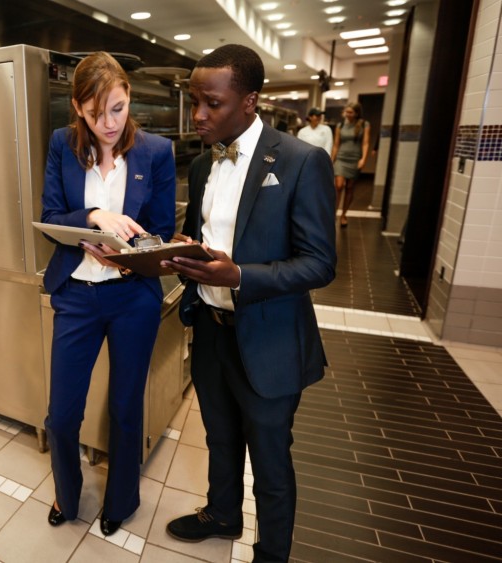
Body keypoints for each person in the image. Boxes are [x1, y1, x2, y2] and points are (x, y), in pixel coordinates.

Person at [162, 44, 337, 562]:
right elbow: (205, 235)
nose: (198, 115)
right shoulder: (200, 166)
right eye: (194, 102)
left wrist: (239, 275)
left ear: (250, 102)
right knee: (218, 436)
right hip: (213, 330)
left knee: (269, 456)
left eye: (210, 103)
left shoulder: (302, 161)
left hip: (270, 337)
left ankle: (273, 553)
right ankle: (221, 514)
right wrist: (179, 254)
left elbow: (320, 264)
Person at [40, 51, 176, 537]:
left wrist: (124, 250)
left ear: (128, 98)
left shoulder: (156, 151)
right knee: (61, 415)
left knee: (124, 406)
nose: (109, 122)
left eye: (117, 108)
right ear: (78, 107)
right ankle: (67, 493)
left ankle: (120, 500)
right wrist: (94, 219)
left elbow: (161, 230)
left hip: (132, 295)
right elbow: (52, 217)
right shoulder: (62, 145)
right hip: (76, 294)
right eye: (96, 113)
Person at [331, 102, 370, 228]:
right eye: (346, 112)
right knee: (338, 185)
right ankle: (334, 213)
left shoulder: (364, 124)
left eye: (350, 112)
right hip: (341, 158)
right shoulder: (340, 125)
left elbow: (365, 143)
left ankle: (344, 214)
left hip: (355, 158)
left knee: (350, 188)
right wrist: (332, 160)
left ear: (356, 113)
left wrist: (363, 159)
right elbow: (336, 144)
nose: (347, 114)